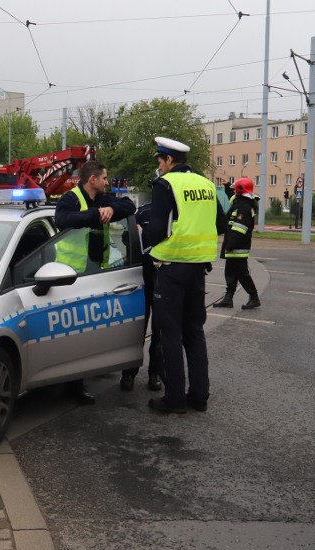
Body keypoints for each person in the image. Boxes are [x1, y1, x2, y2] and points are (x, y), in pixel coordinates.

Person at [147, 137, 227, 414]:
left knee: (170, 333)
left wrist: (146, 244)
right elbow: (221, 223)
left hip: (170, 268)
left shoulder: (165, 184)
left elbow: (157, 227)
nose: (159, 165)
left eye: (160, 160)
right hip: (198, 269)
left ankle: (175, 400)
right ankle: (200, 397)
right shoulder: (206, 184)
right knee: (194, 331)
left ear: (169, 160)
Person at [55, 160, 136, 404]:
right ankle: (73, 386)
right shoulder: (70, 198)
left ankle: (91, 370)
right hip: (70, 275)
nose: (106, 182)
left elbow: (129, 206)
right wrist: (95, 214)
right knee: (74, 333)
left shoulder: (103, 198)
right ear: (92, 179)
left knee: (92, 330)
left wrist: (112, 211)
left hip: (97, 273)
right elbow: (62, 219)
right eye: (104, 178)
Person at [120, 199, 164, 392]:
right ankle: (129, 373)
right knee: (136, 327)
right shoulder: (143, 212)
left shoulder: (176, 214)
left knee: (160, 330)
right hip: (142, 277)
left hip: (164, 278)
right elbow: (126, 238)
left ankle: (155, 373)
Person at [214, 177, 261, 309]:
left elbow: (240, 228)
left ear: (240, 191)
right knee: (230, 273)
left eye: (235, 189)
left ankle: (254, 297)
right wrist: (228, 186)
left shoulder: (244, 207)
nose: (233, 192)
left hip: (237, 247)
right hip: (233, 246)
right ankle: (228, 299)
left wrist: (230, 245)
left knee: (242, 274)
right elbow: (232, 197)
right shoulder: (240, 201)